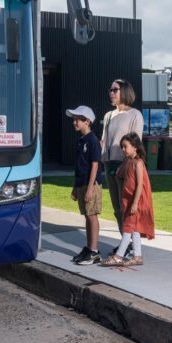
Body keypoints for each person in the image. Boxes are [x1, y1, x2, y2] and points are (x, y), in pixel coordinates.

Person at [101, 79, 144, 256]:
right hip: (109, 165)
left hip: (125, 166)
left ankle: (133, 247)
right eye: (110, 89)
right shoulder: (108, 115)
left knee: (127, 207)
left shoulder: (135, 115)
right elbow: (104, 141)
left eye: (115, 89)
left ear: (125, 91)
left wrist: (128, 165)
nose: (111, 92)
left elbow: (136, 143)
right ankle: (125, 244)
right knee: (117, 208)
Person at [102, 132, 154, 267]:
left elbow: (140, 186)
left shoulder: (138, 163)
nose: (123, 150)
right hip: (128, 201)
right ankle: (137, 256)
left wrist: (135, 203)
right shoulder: (128, 161)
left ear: (135, 147)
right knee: (134, 229)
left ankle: (118, 256)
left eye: (125, 146)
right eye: (122, 147)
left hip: (135, 203)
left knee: (127, 229)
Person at [66, 105, 105, 265]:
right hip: (82, 183)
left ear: (87, 121)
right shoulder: (81, 140)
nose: (74, 122)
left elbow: (95, 165)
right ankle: (89, 248)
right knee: (86, 217)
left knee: (92, 216)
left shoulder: (93, 141)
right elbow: (79, 166)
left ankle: (94, 252)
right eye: (74, 119)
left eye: (78, 119)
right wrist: (76, 187)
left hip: (92, 184)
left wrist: (89, 188)